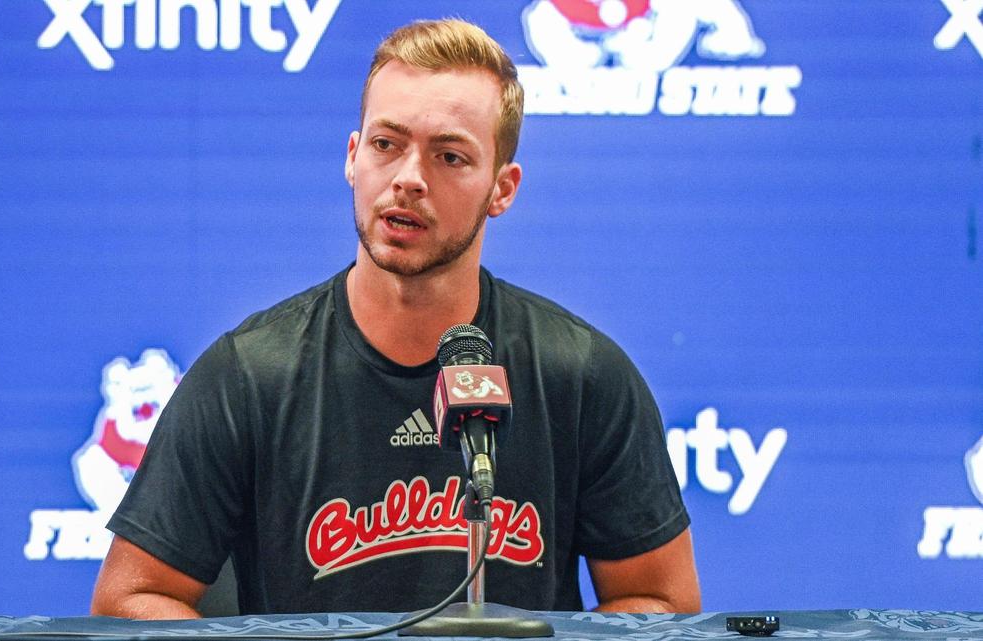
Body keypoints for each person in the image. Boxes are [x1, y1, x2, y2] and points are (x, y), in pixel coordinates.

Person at [91, 18, 700, 619]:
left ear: (503, 188)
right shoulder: (250, 375)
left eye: (450, 156)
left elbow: (663, 602)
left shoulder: (581, 375)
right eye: (386, 144)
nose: (409, 179)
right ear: (353, 158)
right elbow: (130, 599)